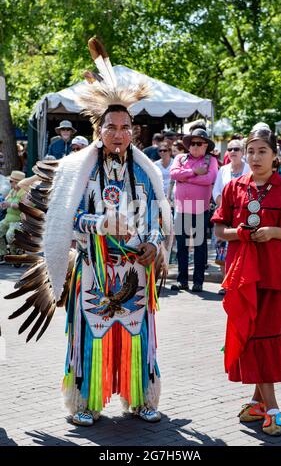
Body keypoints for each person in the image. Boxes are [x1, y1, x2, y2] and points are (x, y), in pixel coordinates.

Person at [5, 38, 172, 427]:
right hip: (93, 268)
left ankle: (140, 397)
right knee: (89, 335)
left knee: (137, 337)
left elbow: (156, 212)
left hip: (134, 269)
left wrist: (151, 242)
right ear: (99, 129)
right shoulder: (79, 169)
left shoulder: (146, 172)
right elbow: (66, 216)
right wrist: (98, 224)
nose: (118, 134)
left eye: (125, 127)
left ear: (134, 131)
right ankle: (84, 401)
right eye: (111, 127)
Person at [212, 127, 281, 437]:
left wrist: (274, 232)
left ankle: (271, 406)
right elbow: (221, 229)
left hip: (277, 276)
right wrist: (241, 233)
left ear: (276, 155)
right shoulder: (234, 188)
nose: (255, 157)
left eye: (262, 151)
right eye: (251, 151)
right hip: (243, 275)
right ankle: (258, 402)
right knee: (250, 335)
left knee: (267, 337)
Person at [170, 128, 218, 292]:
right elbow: (174, 174)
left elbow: (209, 179)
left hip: (200, 208)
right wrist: (194, 172)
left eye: (199, 143)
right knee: (181, 246)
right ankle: (182, 280)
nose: (194, 146)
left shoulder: (211, 160)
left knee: (199, 246)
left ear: (206, 146)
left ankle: (198, 281)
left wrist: (186, 179)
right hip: (181, 208)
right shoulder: (180, 158)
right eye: (192, 143)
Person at [212, 140, 249, 293]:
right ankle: (225, 283)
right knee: (222, 249)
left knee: (242, 249)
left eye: (237, 149)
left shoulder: (249, 169)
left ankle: (241, 282)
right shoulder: (223, 170)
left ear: (243, 152)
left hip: (244, 214)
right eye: (230, 149)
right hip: (225, 213)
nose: (233, 151)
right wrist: (224, 205)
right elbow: (216, 191)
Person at [0, 171, 26, 262]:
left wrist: (10, 204)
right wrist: (2, 204)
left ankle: (15, 255)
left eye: (11, 181)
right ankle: (2, 253)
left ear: (18, 182)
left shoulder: (24, 192)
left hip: (18, 220)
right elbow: (6, 201)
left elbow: (21, 206)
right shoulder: (12, 191)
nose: (10, 183)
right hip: (7, 219)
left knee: (10, 235)